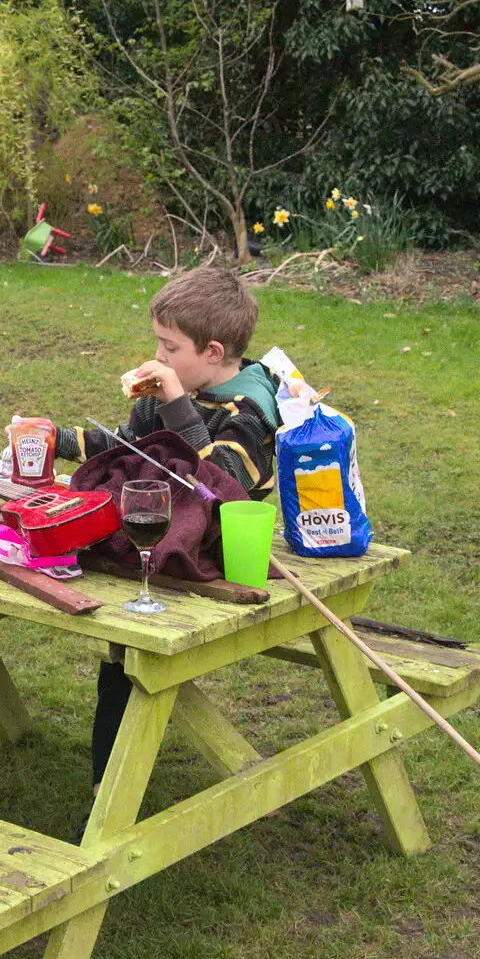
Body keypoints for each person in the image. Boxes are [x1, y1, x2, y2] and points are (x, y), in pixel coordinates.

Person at [52, 266, 281, 798]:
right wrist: (57, 437)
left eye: (169, 347)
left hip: (216, 557)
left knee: (134, 657)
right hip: (153, 542)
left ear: (214, 352)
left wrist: (176, 401)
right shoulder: (170, 389)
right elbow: (129, 445)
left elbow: (217, 483)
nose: (159, 359)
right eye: (157, 344)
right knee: (120, 653)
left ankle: (109, 798)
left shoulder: (251, 412)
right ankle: (104, 787)